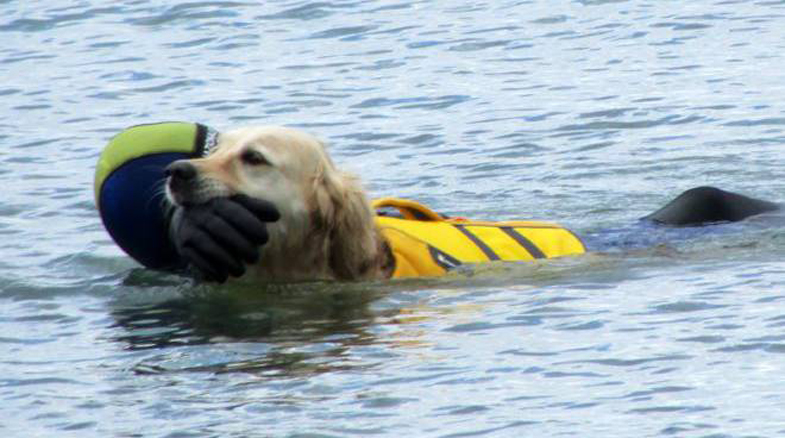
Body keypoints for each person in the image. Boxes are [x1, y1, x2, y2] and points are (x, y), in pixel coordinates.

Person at [94, 122, 780, 282]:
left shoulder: (371, 274)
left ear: (324, 207)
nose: (195, 173)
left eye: (251, 164)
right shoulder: (206, 252)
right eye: (220, 158)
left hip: (588, 247)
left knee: (705, 203)